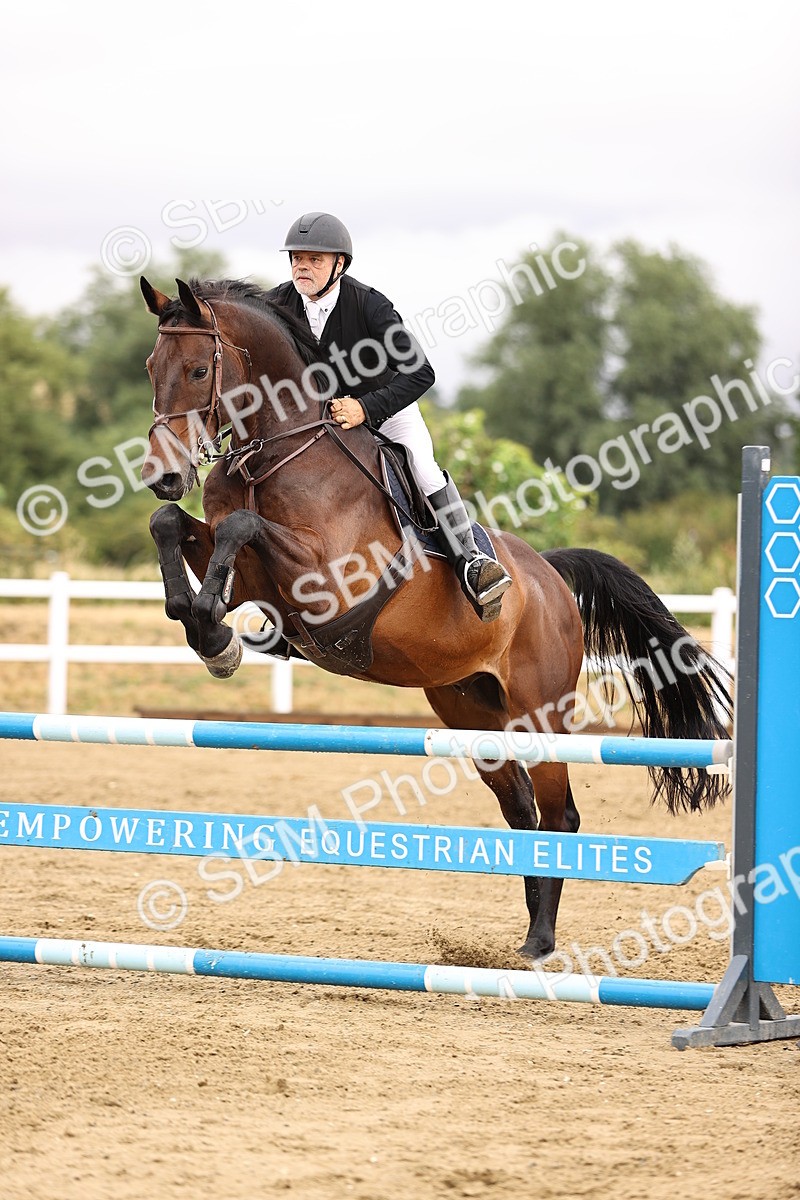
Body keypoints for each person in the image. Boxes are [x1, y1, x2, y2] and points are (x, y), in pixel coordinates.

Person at [267, 212, 512, 621]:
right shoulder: (277, 304)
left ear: (339, 265)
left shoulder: (370, 305)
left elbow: (421, 373)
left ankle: (471, 564)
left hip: (387, 413)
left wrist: (365, 408)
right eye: (296, 259)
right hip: (321, 423)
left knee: (424, 470)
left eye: (314, 259)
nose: (302, 267)